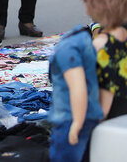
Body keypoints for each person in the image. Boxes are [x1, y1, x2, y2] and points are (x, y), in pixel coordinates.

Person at [48, 22, 103, 161]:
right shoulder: (124, 39)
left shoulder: (70, 48)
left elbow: (78, 87)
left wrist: (77, 122)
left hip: (72, 119)